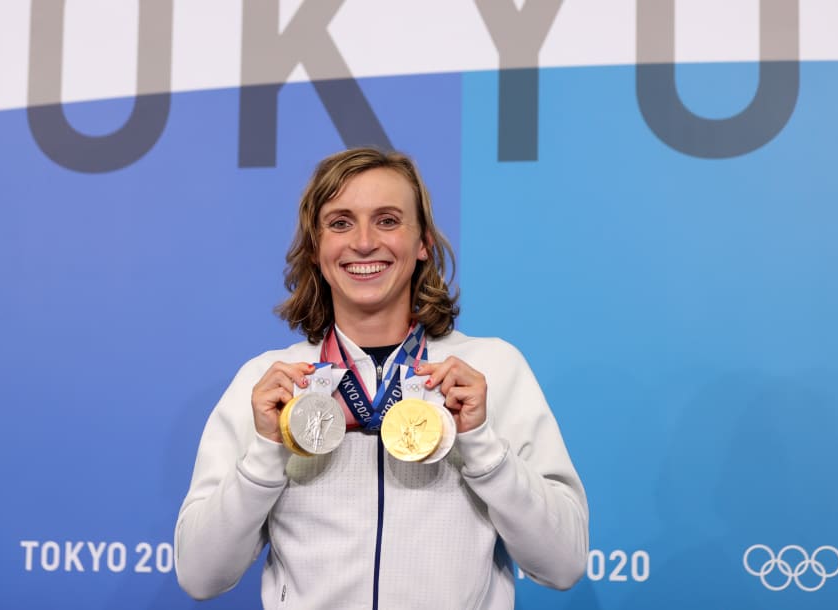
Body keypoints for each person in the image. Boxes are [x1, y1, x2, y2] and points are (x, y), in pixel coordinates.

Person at [175, 148, 588, 608]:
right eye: (340, 222)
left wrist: (483, 445)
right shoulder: (271, 384)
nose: (365, 242)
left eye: (388, 220)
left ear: (423, 243)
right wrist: (268, 451)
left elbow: (564, 564)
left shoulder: (493, 370)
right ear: (315, 247)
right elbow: (200, 576)